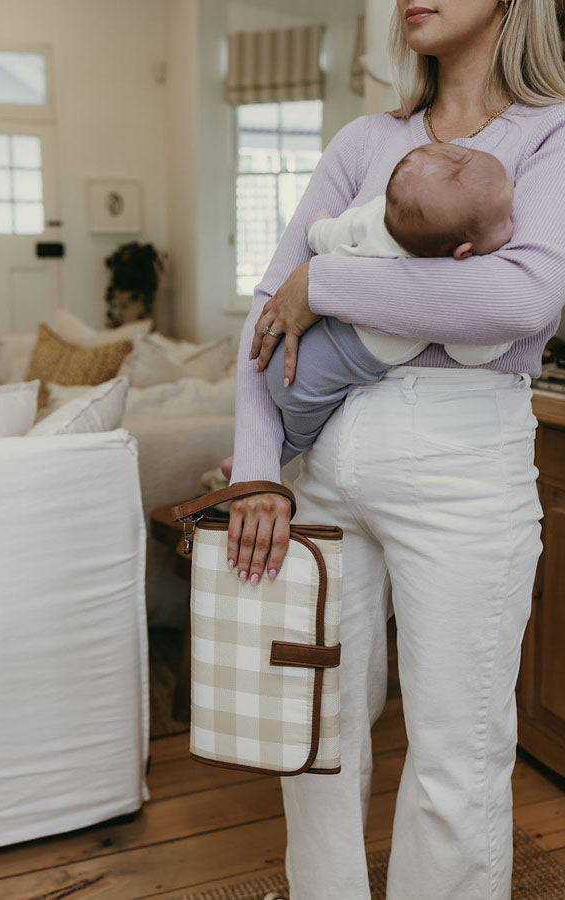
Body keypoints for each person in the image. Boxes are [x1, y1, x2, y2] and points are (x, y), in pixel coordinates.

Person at [225, 1, 565, 897]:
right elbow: (268, 313)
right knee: (318, 738)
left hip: (464, 471)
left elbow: (520, 300)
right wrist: (260, 471)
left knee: (458, 754)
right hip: (323, 467)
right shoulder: (365, 139)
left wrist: (326, 279)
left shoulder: (552, 134)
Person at [266, 142, 516, 466]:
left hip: (294, 347)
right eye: (506, 218)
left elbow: (332, 234)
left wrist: (316, 226)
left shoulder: (375, 216)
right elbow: (466, 350)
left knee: (280, 426)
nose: (515, 217)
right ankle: (278, 456)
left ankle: (257, 454)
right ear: (464, 252)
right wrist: (506, 336)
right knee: (300, 436)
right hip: (313, 379)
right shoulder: (447, 294)